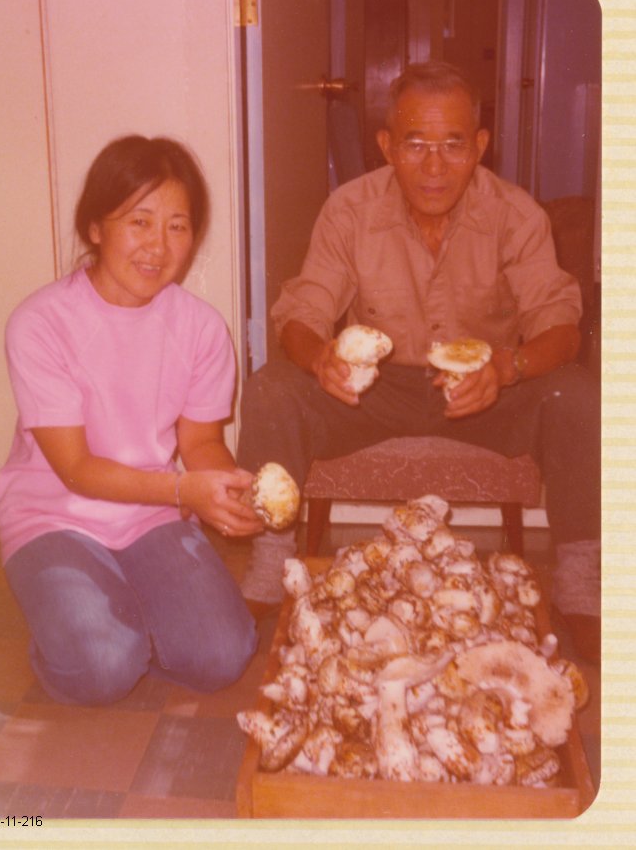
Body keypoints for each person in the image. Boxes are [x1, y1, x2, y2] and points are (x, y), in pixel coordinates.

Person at [237, 61, 600, 664]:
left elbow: (561, 326)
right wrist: (319, 356)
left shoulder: (517, 215)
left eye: (454, 145)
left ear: (480, 146)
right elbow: (302, 310)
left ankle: (581, 584)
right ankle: (270, 565)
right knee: (274, 387)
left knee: (578, 394)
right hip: (373, 391)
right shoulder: (349, 209)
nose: (435, 166)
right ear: (387, 146)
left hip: (485, 390)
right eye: (416, 144)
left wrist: (506, 369)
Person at [0, 135, 261, 705]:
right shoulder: (40, 323)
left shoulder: (201, 328)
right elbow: (75, 470)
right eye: (139, 221)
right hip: (54, 516)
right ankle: (71, 633)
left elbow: (204, 442)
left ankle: (119, 618)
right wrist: (184, 488)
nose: (158, 247)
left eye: (177, 226)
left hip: (150, 513)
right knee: (103, 667)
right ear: (95, 227)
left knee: (223, 657)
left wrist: (228, 490)